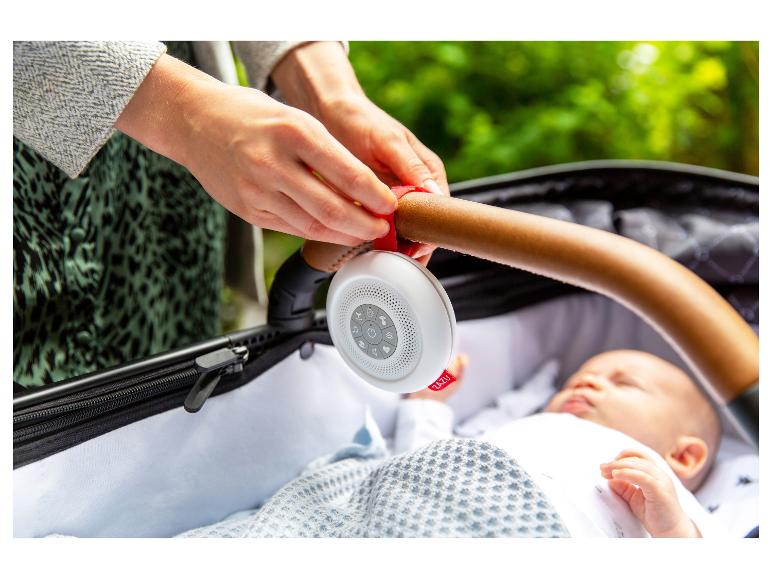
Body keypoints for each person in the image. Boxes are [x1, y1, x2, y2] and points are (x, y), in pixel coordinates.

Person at [13, 41, 448, 387]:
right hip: (29, 148)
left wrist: (327, 91)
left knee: (171, 372)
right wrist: (186, 113)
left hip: (182, 154)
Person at [395, 349, 723, 537]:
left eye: (624, 383)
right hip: (430, 510)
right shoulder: (525, 427)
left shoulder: (668, 499)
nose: (586, 381)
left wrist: (674, 530)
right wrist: (428, 400)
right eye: (574, 380)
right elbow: (423, 464)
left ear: (683, 455)